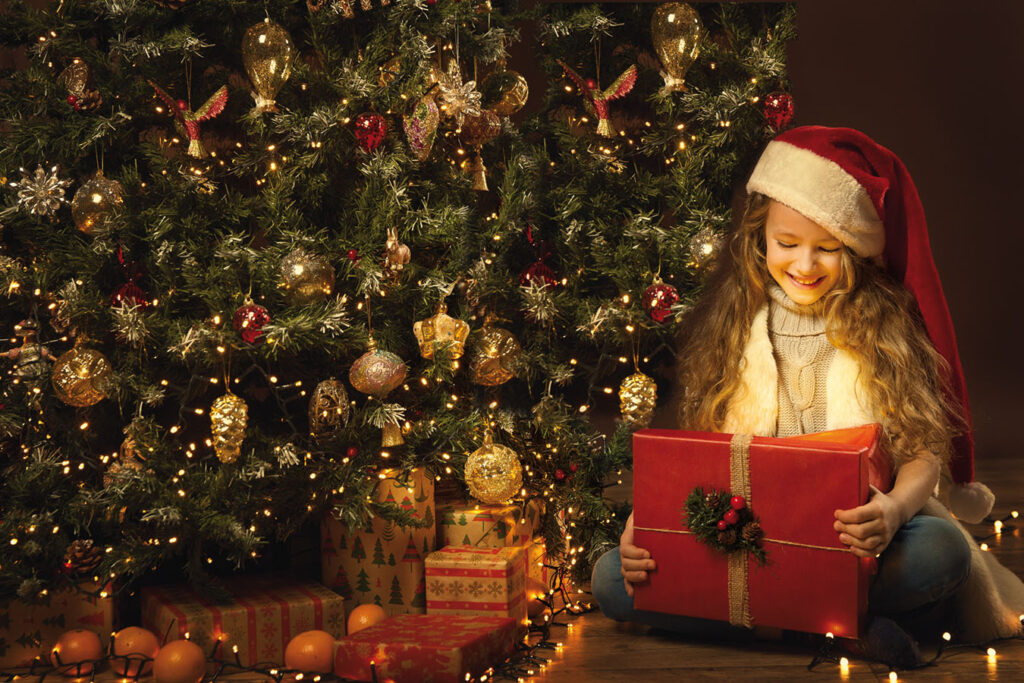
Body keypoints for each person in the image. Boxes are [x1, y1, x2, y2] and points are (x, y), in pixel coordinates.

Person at [591, 126, 1024, 666]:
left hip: (857, 547)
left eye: (828, 249)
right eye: (787, 244)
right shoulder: (733, 325)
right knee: (612, 577)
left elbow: (922, 454)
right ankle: (837, 629)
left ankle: (776, 622)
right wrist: (645, 527)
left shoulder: (886, 325)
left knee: (944, 552)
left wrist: (891, 511)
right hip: (751, 542)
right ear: (760, 237)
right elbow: (697, 459)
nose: (804, 265)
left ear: (858, 248)